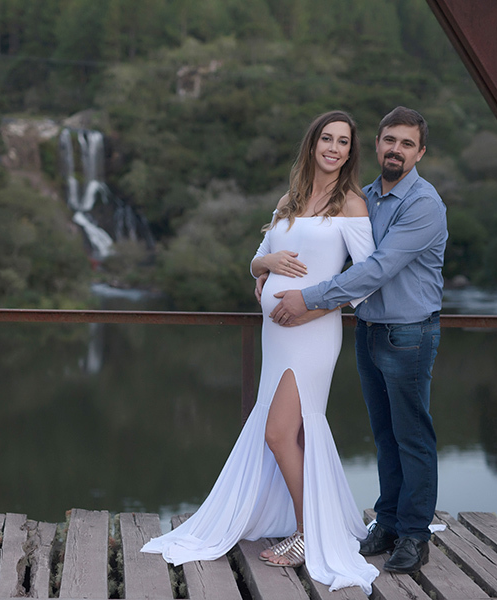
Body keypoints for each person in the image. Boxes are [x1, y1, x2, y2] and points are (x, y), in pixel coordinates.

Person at [141, 110, 380, 593]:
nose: (334, 148)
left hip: (313, 331)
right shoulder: (288, 200)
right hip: (277, 334)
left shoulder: (351, 204)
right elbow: (257, 258)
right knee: (293, 433)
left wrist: (309, 309)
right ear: (312, 144)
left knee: (279, 432)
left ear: (351, 152)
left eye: (343, 142)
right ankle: (312, 519)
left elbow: (364, 282)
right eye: (326, 139)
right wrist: (263, 265)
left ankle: (308, 534)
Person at [269, 106, 448, 574]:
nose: (396, 149)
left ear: (420, 152)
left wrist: (306, 299)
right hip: (369, 330)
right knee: (385, 437)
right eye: (390, 140)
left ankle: (414, 534)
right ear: (377, 144)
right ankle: (387, 523)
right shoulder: (364, 195)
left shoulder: (423, 204)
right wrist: (265, 270)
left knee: (412, 436)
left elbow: (374, 270)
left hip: (409, 333)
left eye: (407, 143)